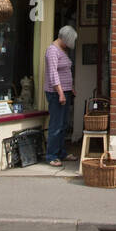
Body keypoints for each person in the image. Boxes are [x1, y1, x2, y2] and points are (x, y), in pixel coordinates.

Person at [44, 26, 78, 167]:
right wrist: (60, 93)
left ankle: (61, 152)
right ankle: (51, 155)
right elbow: (53, 74)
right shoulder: (52, 51)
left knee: (63, 125)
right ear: (65, 39)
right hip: (56, 93)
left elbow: (64, 72)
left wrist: (71, 88)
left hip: (65, 91)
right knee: (56, 125)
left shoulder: (62, 50)